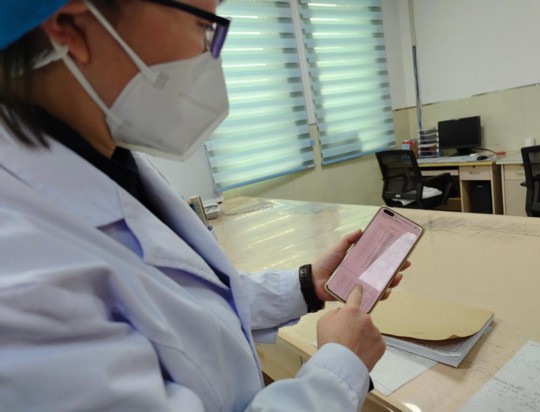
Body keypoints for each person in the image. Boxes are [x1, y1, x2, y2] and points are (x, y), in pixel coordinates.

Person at [0, 1, 408, 410]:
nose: (209, 53)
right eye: (202, 25)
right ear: (70, 24)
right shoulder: (20, 282)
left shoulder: (109, 159)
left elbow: (188, 307)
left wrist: (306, 284)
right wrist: (339, 369)